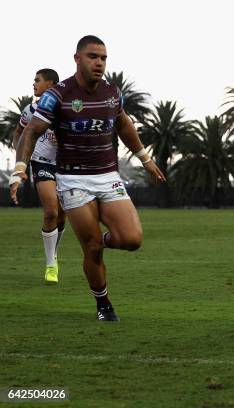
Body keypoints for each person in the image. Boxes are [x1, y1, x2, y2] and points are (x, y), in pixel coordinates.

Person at [10, 35, 166, 321]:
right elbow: (30, 131)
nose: (99, 63)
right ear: (77, 59)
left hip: (108, 177)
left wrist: (145, 158)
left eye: (103, 58)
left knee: (132, 239)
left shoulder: (112, 92)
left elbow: (123, 123)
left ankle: (97, 239)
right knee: (92, 249)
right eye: (93, 56)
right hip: (73, 180)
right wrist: (20, 168)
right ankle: (104, 305)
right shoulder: (58, 95)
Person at [12, 69, 66, 283]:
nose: (33, 83)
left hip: (65, 167)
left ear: (51, 84)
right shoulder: (30, 110)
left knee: (62, 215)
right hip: (41, 163)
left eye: (37, 80)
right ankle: (50, 264)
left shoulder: (65, 110)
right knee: (51, 211)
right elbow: (19, 132)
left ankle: (54, 253)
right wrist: (21, 160)